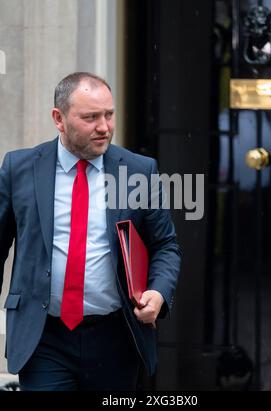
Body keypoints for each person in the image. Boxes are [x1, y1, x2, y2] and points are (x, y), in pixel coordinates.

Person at [0, 72, 181, 391]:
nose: (104, 127)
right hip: (44, 338)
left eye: (109, 115)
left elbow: (165, 245)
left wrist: (158, 292)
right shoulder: (19, 168)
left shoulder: (137, 171)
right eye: (90, 117)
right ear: (59, 118)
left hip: (115, 337)